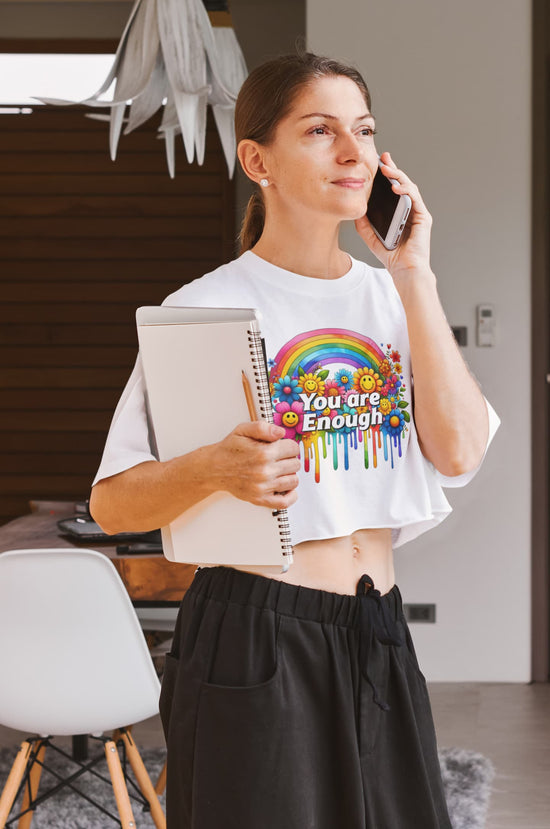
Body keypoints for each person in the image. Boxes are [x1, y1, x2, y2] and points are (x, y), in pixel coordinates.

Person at [90, 51, 499, 829]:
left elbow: (461, 452)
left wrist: (414, 274)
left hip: (378, 628)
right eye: (320, 130)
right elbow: (112, 504)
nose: (353, 152)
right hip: (254, 632)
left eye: (364, 131)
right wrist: (213, 468)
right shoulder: (203, 308)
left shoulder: (395, 296)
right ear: (258, 161)